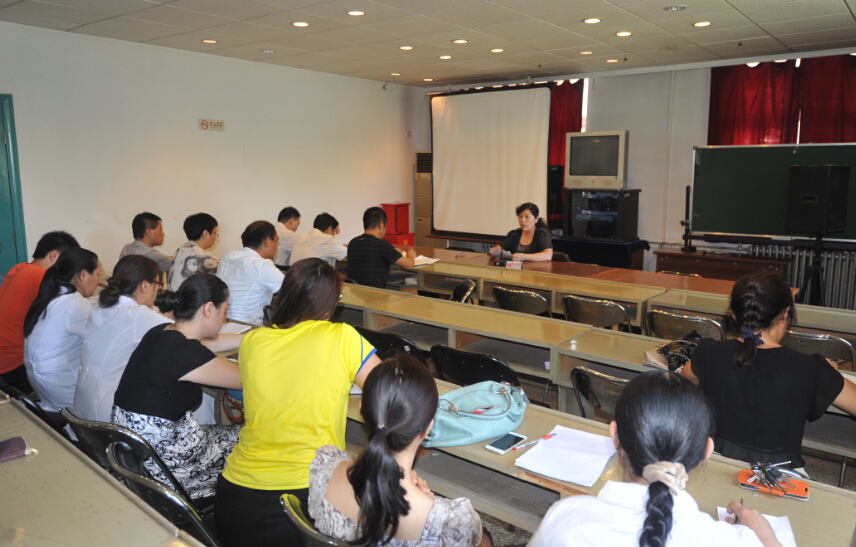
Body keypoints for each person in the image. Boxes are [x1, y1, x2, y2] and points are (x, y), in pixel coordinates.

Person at [214, 258, 382, 547]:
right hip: (304, 500)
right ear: (328, 305)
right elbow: (388, 391)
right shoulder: (342, 336)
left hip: (235, 499)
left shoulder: (253, 341)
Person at [528, 371, 783, 547]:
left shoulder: (565, 519)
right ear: (706, 452)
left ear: (615, 436)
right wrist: (767, 538)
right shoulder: (734, 541)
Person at [310, 355, 491, 547]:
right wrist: (427, 501)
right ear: (428, 427)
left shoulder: (324, 470)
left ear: (362, 410)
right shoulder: (453, 523)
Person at [681, 272, 856, 470]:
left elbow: (685, 381)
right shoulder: (810, 368)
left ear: (734, 314)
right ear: (785, 314)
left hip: (713, 466)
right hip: (778, 479)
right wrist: (830, 375)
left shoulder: (708, 352)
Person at [112, 274, 244, 499]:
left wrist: (252, 337)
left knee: (226, 432)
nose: (225, 318)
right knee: (252, 442)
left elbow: (205, 343)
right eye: (225, 310)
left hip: (137, 456)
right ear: (209, 309)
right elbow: (247, 379)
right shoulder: (186, 354)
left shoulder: (162, 332)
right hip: (170, 469)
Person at [73, 255, 170, 422]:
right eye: (158, 284)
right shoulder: (137, 315)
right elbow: (185, 335)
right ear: (145, 286)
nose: (158, 290)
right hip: (109, 413)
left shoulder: (99, 307)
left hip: (83, 406)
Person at [22, 248, 102, 412]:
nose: (99, 281)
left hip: (43, 383)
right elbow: (104, 338)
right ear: (83, 275)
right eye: (98, 274)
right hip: (59, 385)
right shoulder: (76, 304)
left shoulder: (52, 294)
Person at [0, 230, 80, 391]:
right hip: (12, 365)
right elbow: (73, 308)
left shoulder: (19, 268)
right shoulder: (42, 277)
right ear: (54, 256)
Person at [216, 221, 284, 325]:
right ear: (267, 241)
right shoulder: (262, 265)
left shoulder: (227, 257)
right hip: (246, 328)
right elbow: (293, 290)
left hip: (219, 324)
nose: (276, 246)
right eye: (276, 241)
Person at [347, 206, 416, 289]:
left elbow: (370, 253)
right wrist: (410, 255)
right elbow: (409, 265)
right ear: (381, 225)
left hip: (355, 292)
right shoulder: (382, 245)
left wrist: (392, 252)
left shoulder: (353, 242)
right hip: (375, 294)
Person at [168, 212, 220, 290]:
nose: (215, 237)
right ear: (205, 234)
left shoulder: (179, 251)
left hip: (173, 297)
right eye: (215, 233)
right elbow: (221, 286)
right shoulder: (207, 258)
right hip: (191, 297)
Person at [489, 203, 553, 262]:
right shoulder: (514, 234)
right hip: (515, 269)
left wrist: (522, 256)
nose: (523, 220)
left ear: (536, 219)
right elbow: (500, 248)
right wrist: (494, 252)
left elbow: (548, 256)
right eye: (520, 216)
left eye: (527, 217)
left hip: (536, 269)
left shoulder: (543, 234)